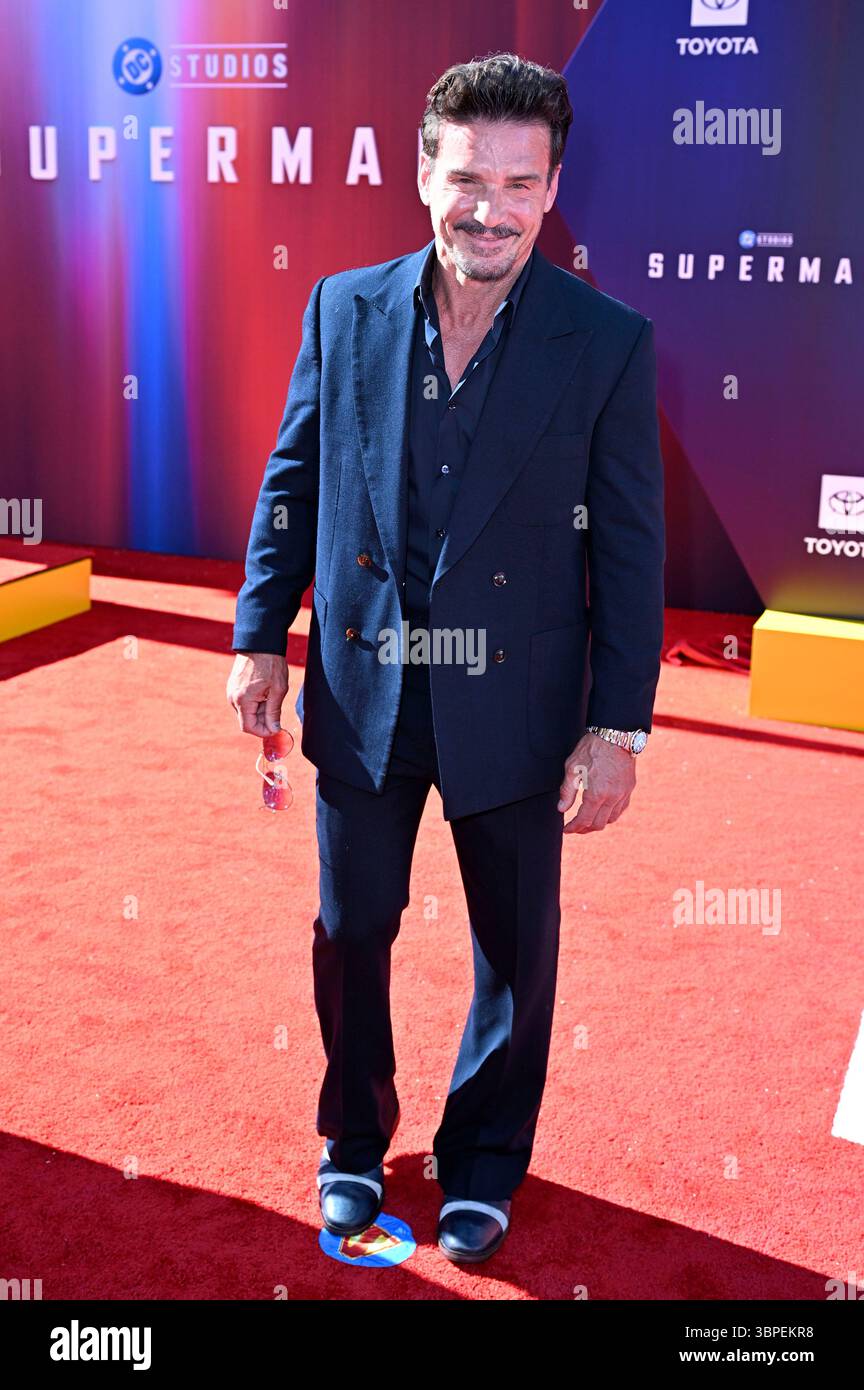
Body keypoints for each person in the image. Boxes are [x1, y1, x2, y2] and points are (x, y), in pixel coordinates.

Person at [227, 51, 665, 1264]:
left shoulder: (608, 342)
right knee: (347, 930)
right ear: (426, 172)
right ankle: (354, 1142)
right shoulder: (344, 307)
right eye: (468, 177)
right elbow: (293, 479)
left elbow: (631, 551)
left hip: (519, 704)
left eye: (521, 184)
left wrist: (617, 726)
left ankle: (482, 1162)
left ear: (552, 186)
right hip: (364, 684)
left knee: (513, 954)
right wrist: (261, 632)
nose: (491, 207)